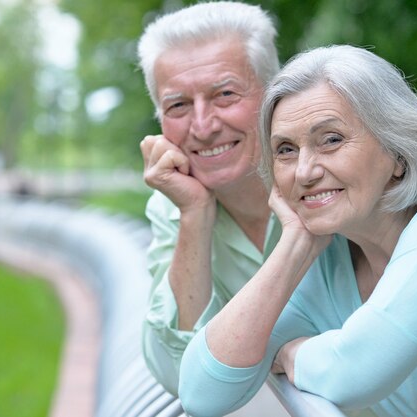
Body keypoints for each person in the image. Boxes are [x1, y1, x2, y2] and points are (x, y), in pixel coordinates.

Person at [179, 44, 417, 417]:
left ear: (399, 152)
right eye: (285, 150)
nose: (304, 171)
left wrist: (292, 353)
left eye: (331, 140)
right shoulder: (333, 254)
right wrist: (294, 246)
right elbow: (200, 393)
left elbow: (354, 372)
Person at [136, 1, 282, 396]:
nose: (202, 126)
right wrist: (195, 214)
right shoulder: (174, 203)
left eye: (225, 94)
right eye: (178, 105)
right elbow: (179, 376)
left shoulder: (329, 176)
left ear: (274, 95)